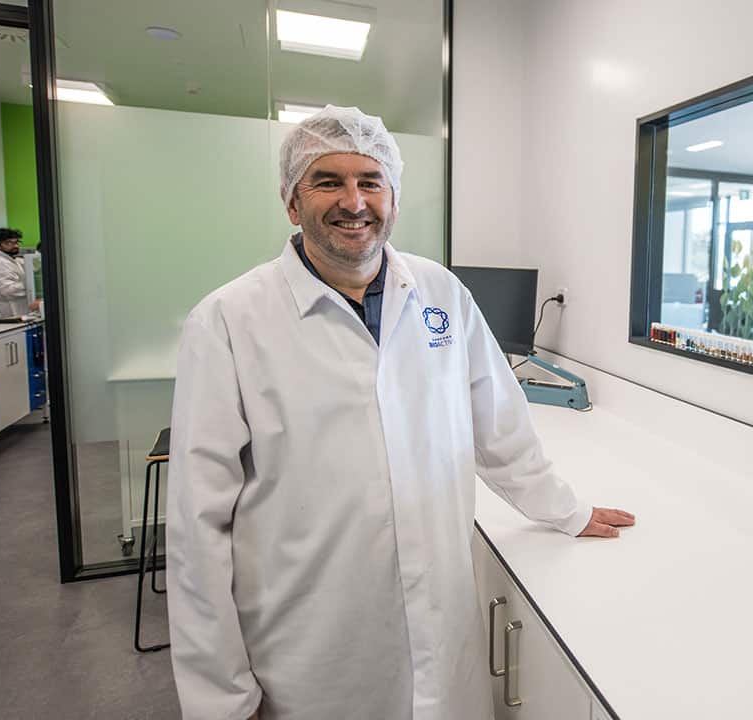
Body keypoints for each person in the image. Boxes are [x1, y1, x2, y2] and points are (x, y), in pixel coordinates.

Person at [166, 106, 635, 720]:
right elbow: (197, 528)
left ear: (393, 196)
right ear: (291, 202)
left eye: (370, 181)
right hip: (308, 651)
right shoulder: (229, 321)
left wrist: (566, 510)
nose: (353, 201)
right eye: (327, 181)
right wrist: (222, 699)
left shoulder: (441, 293)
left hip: (440, 627)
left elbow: (500, 426)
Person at [0, 228, 39, 318]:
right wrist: (31, 284)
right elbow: (8, 290)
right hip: (9, 314)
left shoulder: (9, 259)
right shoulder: (0, 262)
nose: (15, 246)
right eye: (8, 243)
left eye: (16, 242)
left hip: (15, 313)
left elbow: (28, 267)